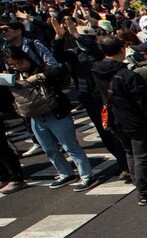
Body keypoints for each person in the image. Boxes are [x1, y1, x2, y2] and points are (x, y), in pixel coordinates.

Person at [4, 46, 98, 191]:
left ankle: (87, 176)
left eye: (19, 63)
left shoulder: (41, 69)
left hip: (56, 113)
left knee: (70, 146)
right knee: (49, 148)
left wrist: (41, 76)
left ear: (25, 58)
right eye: (13, 65)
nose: (17, 67)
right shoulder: (13, 76)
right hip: (35, 116)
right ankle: (65, 173)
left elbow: (60, 70)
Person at [91, 35, 147, 205]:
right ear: (122, 50)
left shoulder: (97, 70)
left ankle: (138, 184)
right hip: (135, 121)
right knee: (141, 156)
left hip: (115, 119)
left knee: (130, 153)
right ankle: (145, 191)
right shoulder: (128, 75)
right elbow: (144, 103)